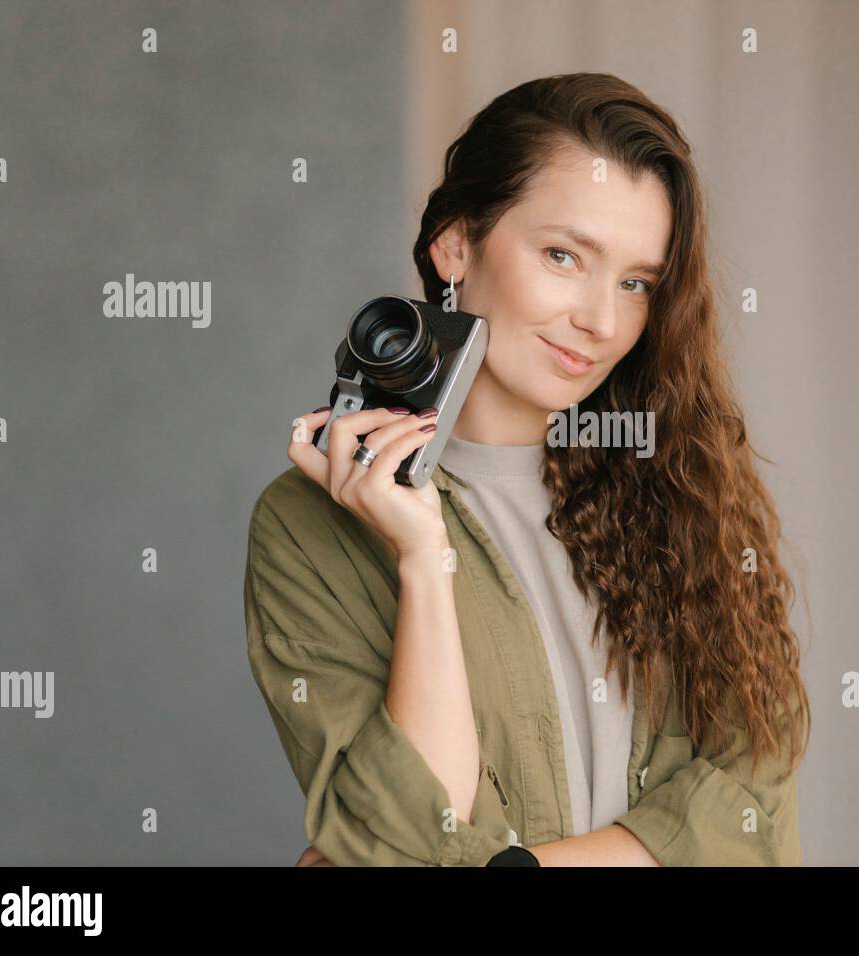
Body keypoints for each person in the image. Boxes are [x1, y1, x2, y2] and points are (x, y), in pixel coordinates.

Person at [244, 71, 811, 867]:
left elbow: (747, 809)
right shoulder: (309, 528)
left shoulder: (678, 486)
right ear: (456, 245)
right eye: (562, 255)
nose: (602, 320)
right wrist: (423, 560)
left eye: (636, 283)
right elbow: (405, 839)